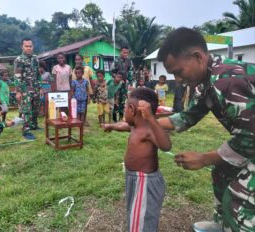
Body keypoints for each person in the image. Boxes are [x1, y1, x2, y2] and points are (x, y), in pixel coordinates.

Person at [157, 27, 255, 232]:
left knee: (239, 199)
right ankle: (222, 224)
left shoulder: (226, 81)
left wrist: (204, 159)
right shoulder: (206, 81)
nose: (178, 79)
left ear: (198, 57)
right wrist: (147, 122)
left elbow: (249, 138)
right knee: (222, 171)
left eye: (178, 72)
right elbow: (187, 116)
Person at [102, 88, 171, 232]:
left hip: (144, 181)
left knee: (142, 219)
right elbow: (123, 125)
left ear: (132, 109)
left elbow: (166, 146)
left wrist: (152, 119)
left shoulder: (148, 130)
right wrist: (111, 126)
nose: (124, 111)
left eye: (125, 108)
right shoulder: (134, 126)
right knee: (136, 214)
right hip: (134, 178)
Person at [14, 38, 41, 140]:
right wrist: (18, 91)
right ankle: (26, 131)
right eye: (26, 46)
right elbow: (17, 77)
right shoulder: (19, 60)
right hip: (25, 90)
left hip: (35, 88)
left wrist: (40, 86)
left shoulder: (35, 58)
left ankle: (34, 125)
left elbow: (38, 74)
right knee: (27, 110)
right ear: (22, 47)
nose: (29, 48)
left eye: (30, 46)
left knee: (35, 108)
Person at [111, 46, 134, 120]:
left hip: (124, 84)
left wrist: (130, 83)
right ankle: (114, 118)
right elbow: (111, 71)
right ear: (121, 52)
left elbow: (130, 72)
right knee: (116, 100)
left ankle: (121, 117)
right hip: (116, 84)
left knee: (123, 100)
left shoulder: (129, 61)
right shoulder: (116, 61)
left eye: (127, 52)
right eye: (124, 52)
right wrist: (117, 78)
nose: (125, 54)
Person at [72, 54, 94, 125]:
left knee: (85, 107)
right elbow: (73, 84)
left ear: (82, 60)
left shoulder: (87, 68)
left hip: (86, 91)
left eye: (79, 59)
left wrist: (92, 91)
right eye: (76, 59)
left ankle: (84, 120)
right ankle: (79, 121)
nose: (77, 61)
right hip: (77, 94)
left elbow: (91, 79)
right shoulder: (74, 70)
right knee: (78, 109)